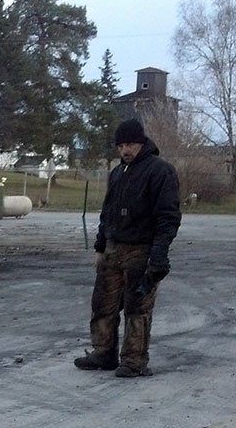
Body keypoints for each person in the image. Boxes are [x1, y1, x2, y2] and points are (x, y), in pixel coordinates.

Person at [74, 118, 181, 378]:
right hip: (113, 248)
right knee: (103, 304)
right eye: (120, 145)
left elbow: (168, 217)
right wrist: (100, 247)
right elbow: (107, 212)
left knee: (137, 307)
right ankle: (103, 352)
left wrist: (158, 256)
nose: (125, 150)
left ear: (142, 143)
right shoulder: (117, 173)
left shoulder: (160, 171)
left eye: (130, 144)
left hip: (141, 250)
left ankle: (134, 361)